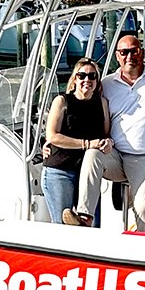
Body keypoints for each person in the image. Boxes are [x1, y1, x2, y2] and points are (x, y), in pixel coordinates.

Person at [63, 35, 145, 232]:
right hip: (116, 155)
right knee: (93, 153)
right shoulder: (106, 84)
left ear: (142, 53)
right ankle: (84, 216)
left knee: (143, 207)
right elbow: (82, 109)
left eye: (134, 51)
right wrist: (52, 139)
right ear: (117, 57)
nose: (130, 56)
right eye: (124, 52)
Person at [41, 58, 112, 224]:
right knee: (63, 226)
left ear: (97, 80)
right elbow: (52, 136)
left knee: (93, 224)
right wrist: (87, 144)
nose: (87, 80)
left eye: (92, 76)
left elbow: (106, 134)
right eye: (82, 76)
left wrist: (109, 142)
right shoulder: (62, 101)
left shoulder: (102, 103)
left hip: (86, 175)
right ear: (75, 79)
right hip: (60, 171)